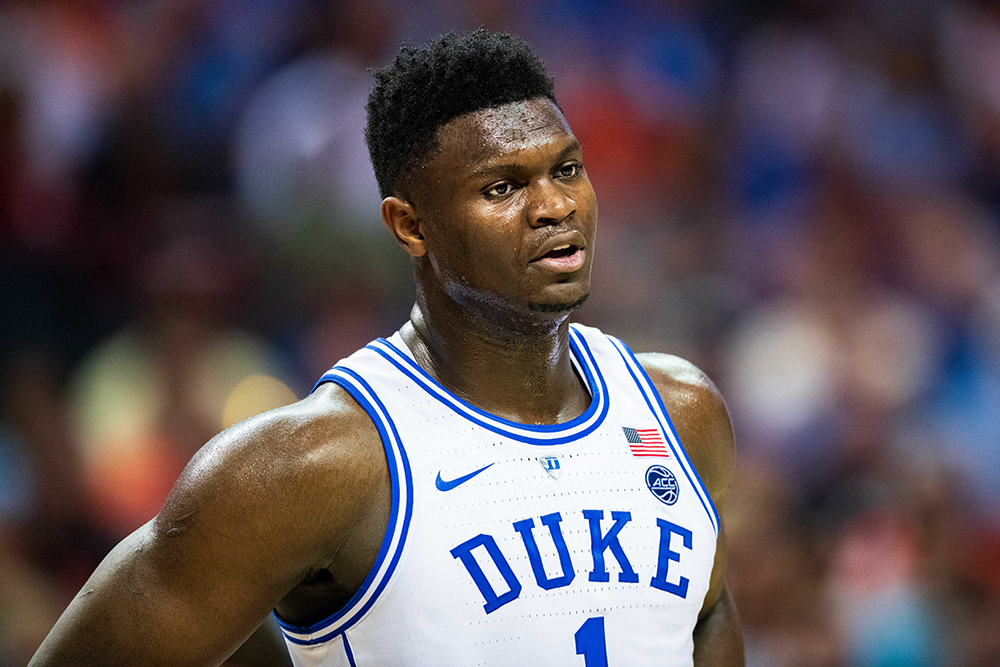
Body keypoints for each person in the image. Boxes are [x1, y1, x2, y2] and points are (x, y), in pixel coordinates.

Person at [29, 29, 743, 666]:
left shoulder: (682, 413)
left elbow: (704, 619)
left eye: (566, 169)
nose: (555, 206)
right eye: (503, 186)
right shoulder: (315, 464)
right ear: (410, 226)